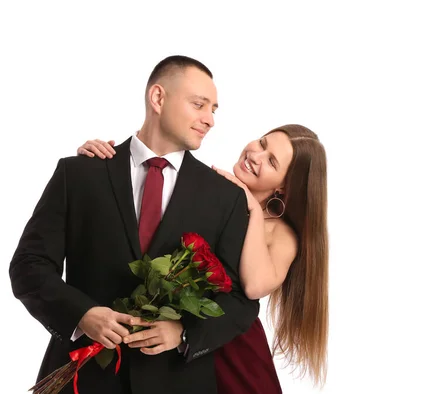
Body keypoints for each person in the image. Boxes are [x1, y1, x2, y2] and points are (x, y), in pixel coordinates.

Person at [9, 55, 259, 394]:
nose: (209, 119)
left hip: (177, 381)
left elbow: (241, 299)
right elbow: (28, 266)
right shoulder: (80, 173)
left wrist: (183, 331)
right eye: (199, 105)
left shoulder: (225, 196)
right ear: (158, 98)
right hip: (84, 378)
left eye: (214, 109)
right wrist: (81, 315)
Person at [76, 123, 329, 393]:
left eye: (271, 161)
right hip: (172, 339)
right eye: (262, 143)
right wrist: (99, 167)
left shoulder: (282, 235)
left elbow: (255, 286)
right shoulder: (211, 190)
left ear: (284, 188)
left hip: (231, 346)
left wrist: (253, 209)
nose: (256, 156)